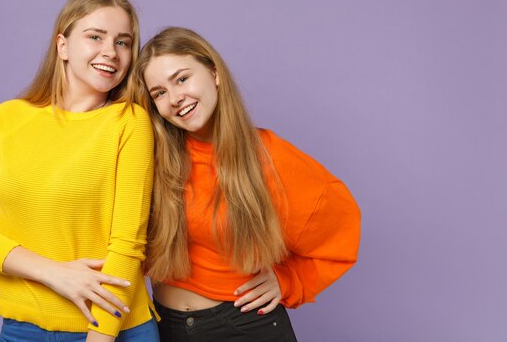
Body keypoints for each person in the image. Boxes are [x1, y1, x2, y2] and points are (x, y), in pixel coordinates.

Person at [0, 0, 159, 342]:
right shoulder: (6, 118)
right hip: (22, 328)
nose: (111, 52)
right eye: (94, 37)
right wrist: (53, 272)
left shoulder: (130, 122)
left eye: (123, 42)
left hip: (111, 329)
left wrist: (101, 336)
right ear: (62, 45)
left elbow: (127, 245)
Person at [125, 27, 361, 341]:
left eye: (182, 79)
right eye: (159, 93)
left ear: (214, 73)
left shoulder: (267, 156)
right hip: (164, 328)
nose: (175, 98)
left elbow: (341, 225)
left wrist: (288, 280)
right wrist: (91, 17)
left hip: (244, 328)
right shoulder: (150, 153)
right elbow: (93, 114)